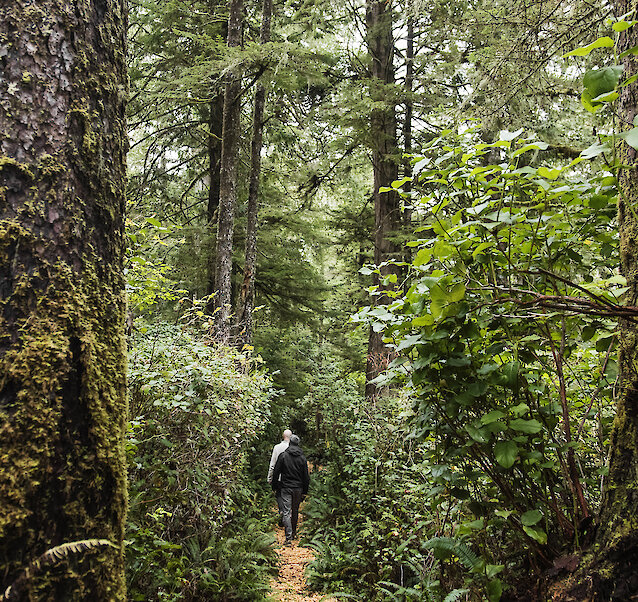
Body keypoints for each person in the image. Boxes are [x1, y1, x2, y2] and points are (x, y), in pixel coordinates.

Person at [271, 434, 310, 545]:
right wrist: (305, 492)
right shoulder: (302, 458)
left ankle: (288, 538)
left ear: (290, 443)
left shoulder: (283, 456)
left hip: (286, 487)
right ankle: (293, 533)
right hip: (298, 488)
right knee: (295, 510)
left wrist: (274, 486)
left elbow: (276, 472)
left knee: (286, 512)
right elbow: (306, 476)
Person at [268, 429, 292, 525]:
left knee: (279, 495)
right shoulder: (293, 448)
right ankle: (288, 515)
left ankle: (282, 511)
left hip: (279, 477)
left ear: (283, 436)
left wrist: (270, 478)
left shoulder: (277, 447)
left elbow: (272, 464)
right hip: (290, 477)